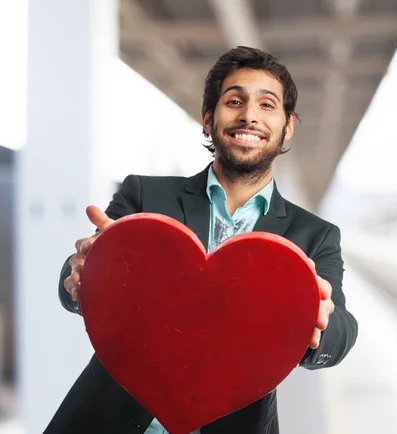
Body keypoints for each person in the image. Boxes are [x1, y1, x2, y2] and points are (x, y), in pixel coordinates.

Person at [45, 46, 358, 434]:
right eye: (234, 101)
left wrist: (319, 319)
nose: (249, 115)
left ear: (287, 125)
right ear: (208, 119)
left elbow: (342, 332)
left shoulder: (313, 235)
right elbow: (84, 275)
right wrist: (79, 278)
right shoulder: (145, 196)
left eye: (267, 104)